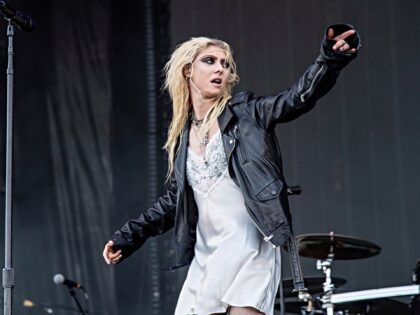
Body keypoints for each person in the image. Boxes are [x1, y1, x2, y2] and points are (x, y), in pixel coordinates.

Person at [103, 24, 360, 315]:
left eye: (225, 64)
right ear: (188, 70)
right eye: (209, 61)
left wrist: (329, 59)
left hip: (250, 245)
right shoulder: (182, 137)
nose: (220, 70)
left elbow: (296, 98)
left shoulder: (247, 113)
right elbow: (173, 201)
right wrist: (129, 235)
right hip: (207, 255)